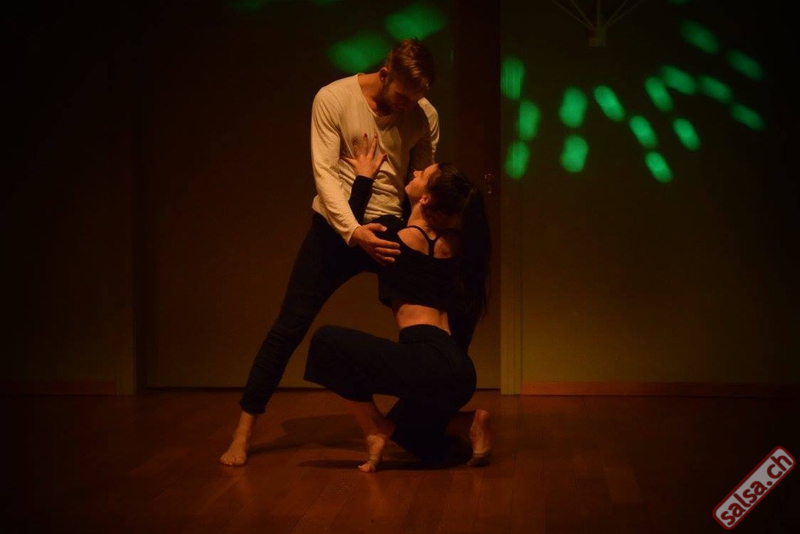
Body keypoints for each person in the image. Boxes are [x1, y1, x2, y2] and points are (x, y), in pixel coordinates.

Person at [220, 39, 440, 466]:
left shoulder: (423, 113)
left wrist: (420, 237)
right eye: (402, 96)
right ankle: (242, 432)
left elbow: (421, 182)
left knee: (430, 324)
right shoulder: (334, 98)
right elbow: (323, 174)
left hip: (389, 229)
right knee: (289, 327)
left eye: (416, 99)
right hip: (336, 227)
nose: (407, 106)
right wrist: (353, 232)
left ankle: (414, 428)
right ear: (385, 74)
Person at [304, 134, 492, 472]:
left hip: (427, 360)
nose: (415, 172)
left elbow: (342, 237)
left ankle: (376, 428)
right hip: (460, 370)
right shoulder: (457, 247)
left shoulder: (392, 242)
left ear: (426, 199)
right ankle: (468, 422)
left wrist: (364, 177)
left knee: (325, 341)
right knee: (411, 436)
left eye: (423, 174)